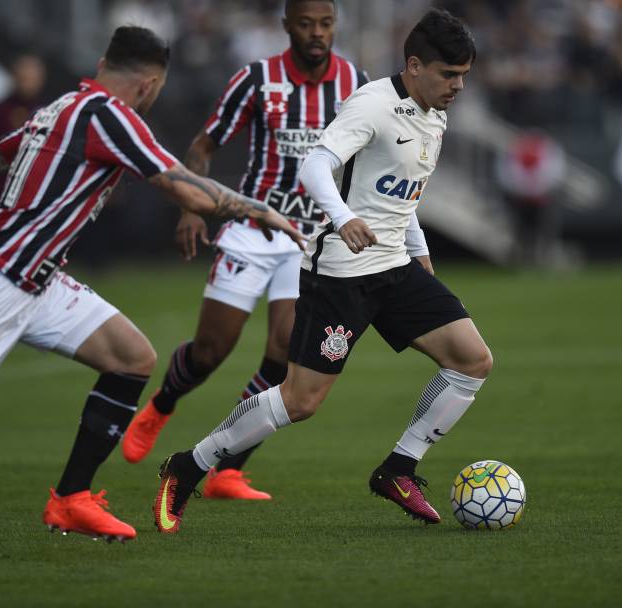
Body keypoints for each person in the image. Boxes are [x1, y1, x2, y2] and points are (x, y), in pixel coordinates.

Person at [0, 26, 303, 543]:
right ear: (149, 86)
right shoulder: (111, 116)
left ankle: (70, 500)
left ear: (104, 60)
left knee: (132, 357)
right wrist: (263, 210)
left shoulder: (61, 107)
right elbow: (186, 191)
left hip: (39, 281)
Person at [151, 8, 492, 534]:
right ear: (416, 65)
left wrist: (420, 252)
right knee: (300, 401)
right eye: (450, 75)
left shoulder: (434, 115)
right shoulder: (373, 103)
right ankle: (190, 464)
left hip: (395, 266)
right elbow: (314, 164)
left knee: (472, 360)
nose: (458, 86)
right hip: (339, 273)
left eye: (464, 76)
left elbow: (402, 198)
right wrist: (344, 217)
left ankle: (399, 468)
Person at [121, 0, 368, 500]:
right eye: (306, 24)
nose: (317, 33)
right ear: (286, 27)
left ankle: (227, 468)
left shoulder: (356, 86)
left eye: (326, 24)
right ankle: (164, 403)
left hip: (307, 238)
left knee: (283, 353)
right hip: (252, 229)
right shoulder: (256, 79)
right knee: (212, 350)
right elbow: (204, 145)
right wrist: (193, 207)